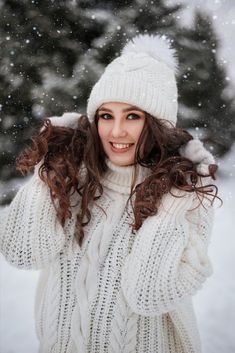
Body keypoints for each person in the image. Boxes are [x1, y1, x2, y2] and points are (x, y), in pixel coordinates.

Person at [0, 34, 219, 353]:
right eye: (106, 115)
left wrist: (169, 210)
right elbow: (22, 253)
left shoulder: (185, 195)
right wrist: (50, 167)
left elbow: (149, 295)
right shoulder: (73, 177)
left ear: (157, 124)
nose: (116, 132)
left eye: (133, 116)